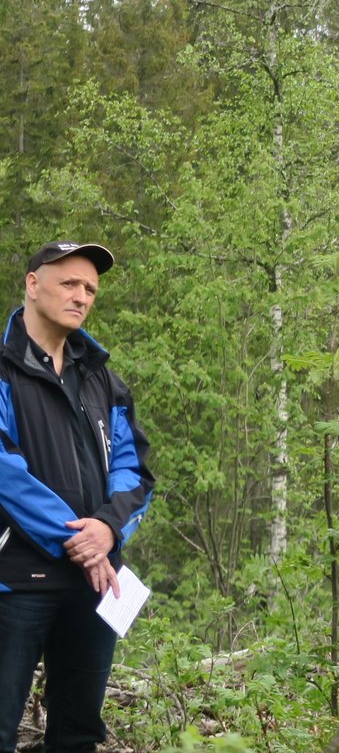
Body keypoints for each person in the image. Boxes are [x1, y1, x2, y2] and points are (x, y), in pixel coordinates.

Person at [0, 241, 153, 753]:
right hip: (15, 581)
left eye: (90, 288)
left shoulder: (102, 378)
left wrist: (108, 528)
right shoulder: (3, 367)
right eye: (69, 283)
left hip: (94, 585)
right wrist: (79, 540)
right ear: (33, 284)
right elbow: (5, 472)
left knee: (79, 735)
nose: (81, 296)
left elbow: (133, 468)